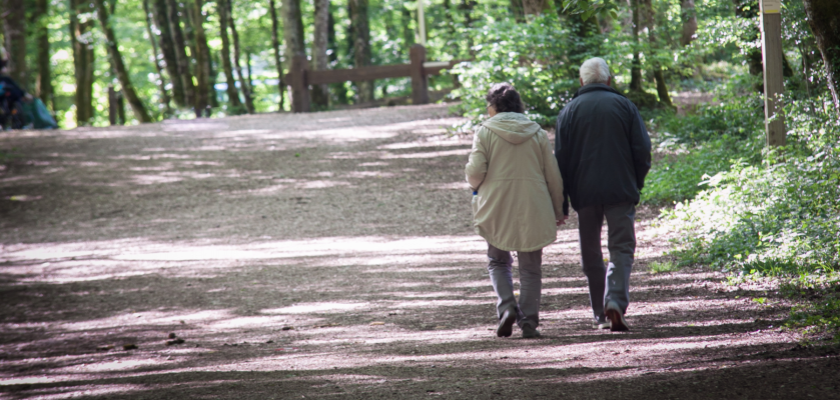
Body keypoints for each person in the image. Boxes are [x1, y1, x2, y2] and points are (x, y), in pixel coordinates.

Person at [554, 57, 651, 332]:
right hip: (620, 189)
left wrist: (562, 201)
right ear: (609, 80)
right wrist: (636, 183)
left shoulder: (568, 111)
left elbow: (560, 160)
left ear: (581, 81)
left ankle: (599, 312)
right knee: (621, 247)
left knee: (591, 250)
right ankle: (616, 302)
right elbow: (642, 150)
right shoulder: (625, 106)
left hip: (584, 192)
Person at [466, 83, 566, 339]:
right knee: (531, 267)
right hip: (533, 203)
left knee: (498, 260)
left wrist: (475, 186)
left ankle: (508, 306)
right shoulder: (537, 133)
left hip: (496, 203)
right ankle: (529, 320)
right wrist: (559, 207)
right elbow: (552, 175)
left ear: (493, 107)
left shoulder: (485, 132)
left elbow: (475, 172)